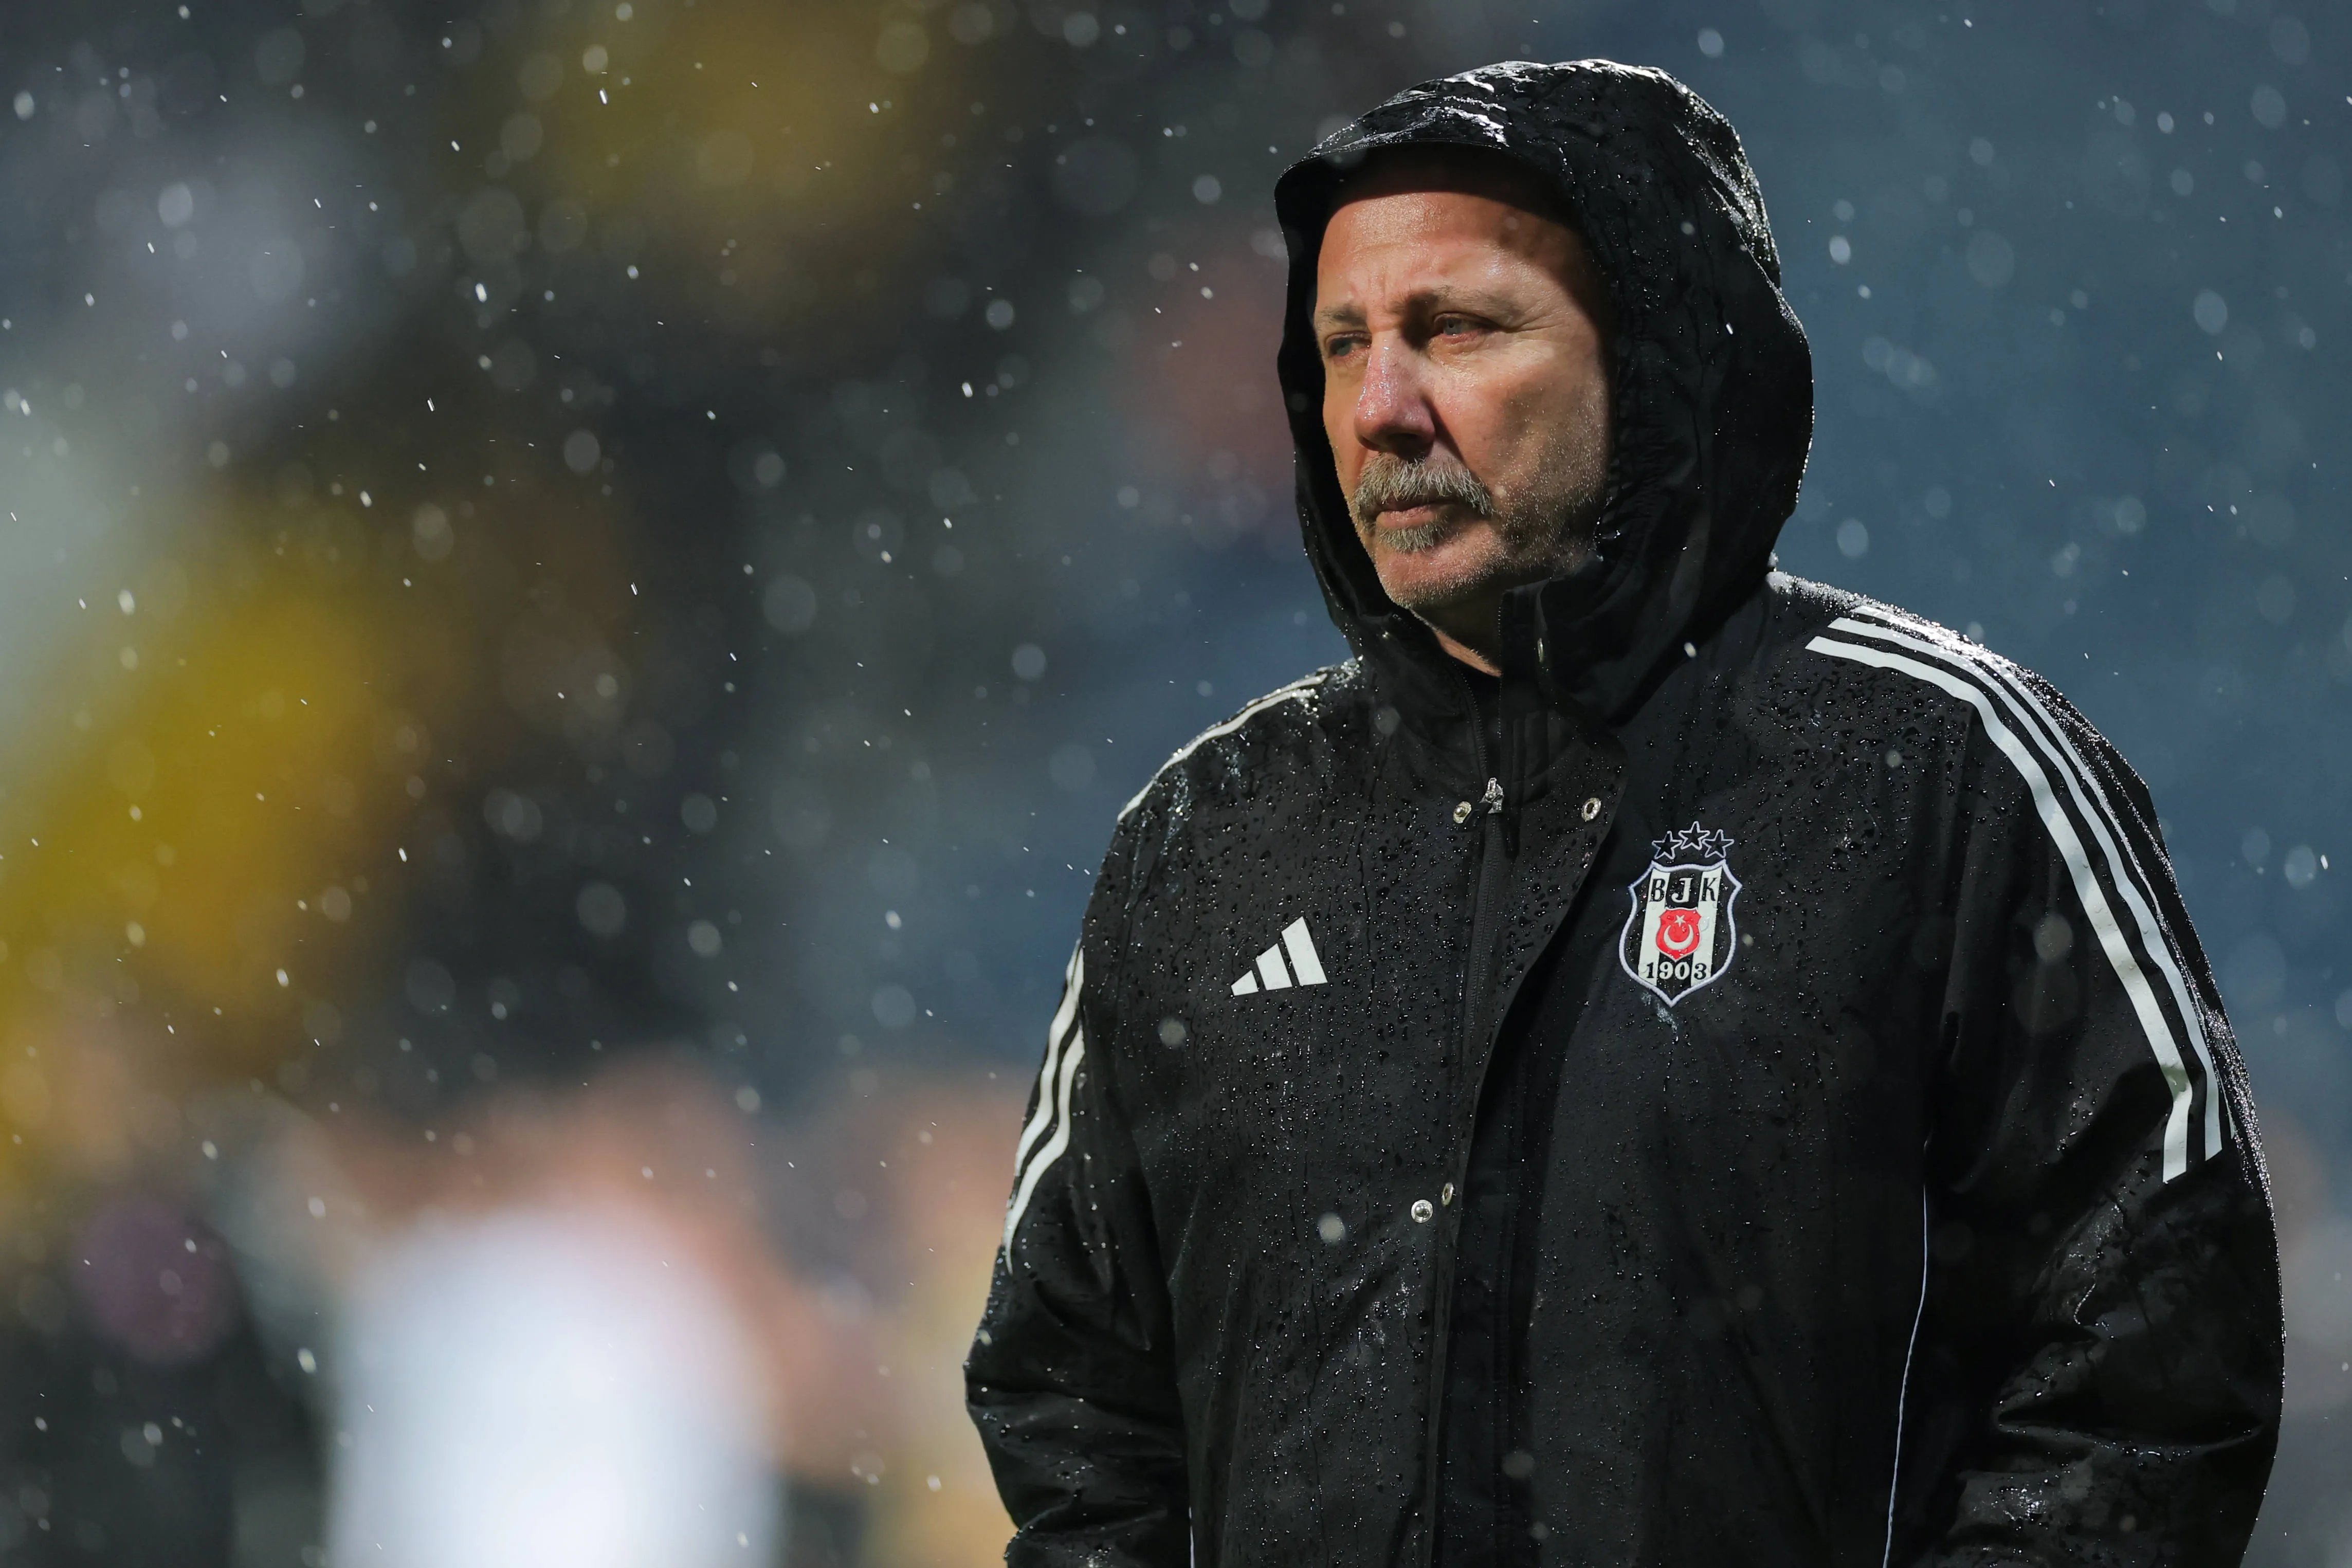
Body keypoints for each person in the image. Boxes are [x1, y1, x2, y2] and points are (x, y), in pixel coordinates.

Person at [965, 60, 2281, 1567]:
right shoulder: (1201, 841)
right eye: (1341, 345)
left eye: (1455, 328)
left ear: (1653, 359)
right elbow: (1068, 1407)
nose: (1381, 409)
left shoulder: (1943, 773)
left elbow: (2153, 1359)